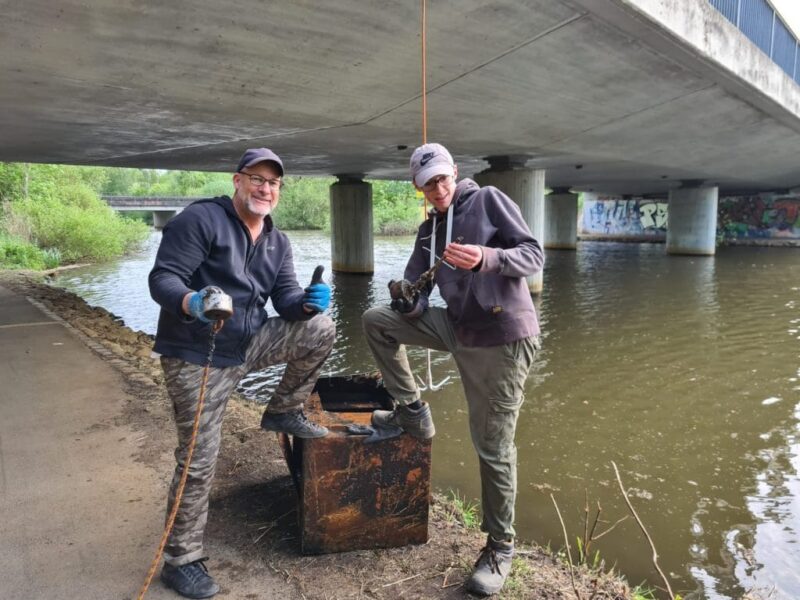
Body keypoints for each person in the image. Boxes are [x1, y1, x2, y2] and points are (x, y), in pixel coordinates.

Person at [148, 148, 336, 599]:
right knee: (198, 459)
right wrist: (192, 303)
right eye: (257, 179)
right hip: (197, 353)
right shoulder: (200, 221)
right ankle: (181, 558)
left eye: (273, 183)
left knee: (320, 328)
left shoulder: (278, 241)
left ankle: (283, 410)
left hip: (247, 345)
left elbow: (285, 300)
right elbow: (163, 278)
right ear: (237, 180)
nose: (265, 189)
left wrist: (308, 302)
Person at [362, 143, 543, 596]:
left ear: (454, 173)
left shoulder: (487, 201)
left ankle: (500, 547)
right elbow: (416, 294)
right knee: (377, 320)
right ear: (418, 188)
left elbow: (534, 255)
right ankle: (410, 410)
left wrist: (488, 258)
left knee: (492, 446)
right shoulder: (428, 232)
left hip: (503, 339)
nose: (439, 188)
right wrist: (408, 300)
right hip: (460, 328)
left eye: (443, 178)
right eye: (429, 183)